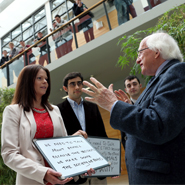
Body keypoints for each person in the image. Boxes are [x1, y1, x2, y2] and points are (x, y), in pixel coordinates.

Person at [81, 32, 185, 184]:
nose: (137, 60)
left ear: (157, 51)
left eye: (140, 53)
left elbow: (158, 125)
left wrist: (113, 105)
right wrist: (129, 107)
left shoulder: (177, 72)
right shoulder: (158, 79)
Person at [1, 65, 94, 185]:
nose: (45, 81)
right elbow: (9, 154)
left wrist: (81, 164)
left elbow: (62, 146)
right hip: (32, 180)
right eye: (39, 78)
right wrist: (43, 173)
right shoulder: (13, 111)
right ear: (28, 81)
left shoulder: (54, 110)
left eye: (46, 79)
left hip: (61, 179)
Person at [57, 72, 108, 185]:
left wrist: (112, 163)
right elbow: (58, 140)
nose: (77, 87)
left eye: (79, 83)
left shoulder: (93, 107)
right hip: (75, 172)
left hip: (97, 170)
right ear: (65, 88)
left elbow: (102, 135)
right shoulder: (57, 110)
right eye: (72, 84)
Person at [115, 75, 142, 148]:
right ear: (126, 90)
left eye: (135, 84)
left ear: (140, 86)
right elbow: (123, 134)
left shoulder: (151, 102)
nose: (132, 87)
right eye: (129, 86)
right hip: (134, 149)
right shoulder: (123, 108)